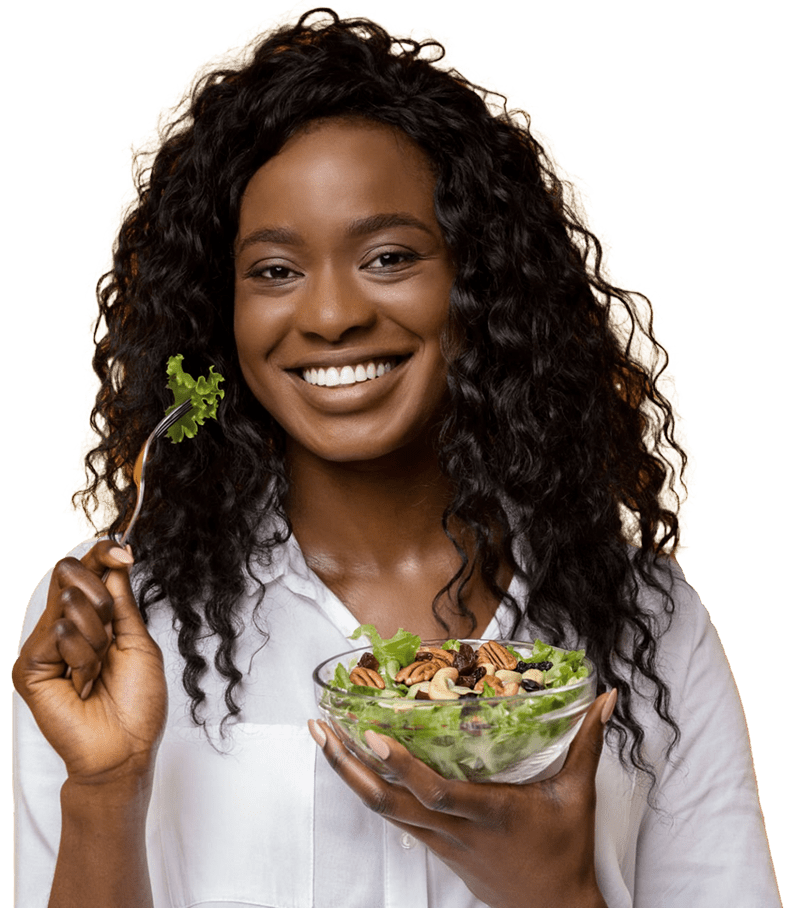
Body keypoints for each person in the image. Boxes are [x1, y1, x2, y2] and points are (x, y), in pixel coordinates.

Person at [12, 5, 779, 907]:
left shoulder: (649, 620)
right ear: (219, 316)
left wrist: (555, 893)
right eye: (274, 270)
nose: (331, 314)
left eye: (387, 256)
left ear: (478, 284)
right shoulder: (122, 617)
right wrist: (104, 790)